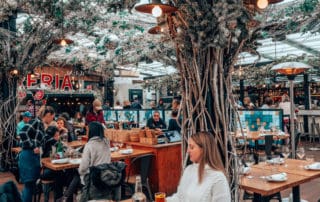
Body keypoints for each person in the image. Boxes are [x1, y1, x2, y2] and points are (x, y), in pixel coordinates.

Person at [166, 131, 231, 202]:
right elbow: (179, 197)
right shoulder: (188, 170)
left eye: (192, 147)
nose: (188, 151)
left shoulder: (218, 178)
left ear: (203, 150)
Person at [18, 106, 55, 202]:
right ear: (48, 115)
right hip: (28, 156)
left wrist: (58, 142)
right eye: (52, 117)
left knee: (31, 186)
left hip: (33, 157)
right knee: (29, 186)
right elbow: (22, 132)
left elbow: (44, 139)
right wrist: (32, 146)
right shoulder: (36, 121)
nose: (52, 120)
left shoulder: (41, 125)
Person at [79, 121, 111, 202]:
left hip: (93, 178)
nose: (86, 132)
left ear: (91, 131)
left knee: (75, 175)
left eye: (87, 130)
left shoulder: (89, 145)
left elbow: (83, 168)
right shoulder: (107, 142)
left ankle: (69, 197)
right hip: (107, 176)